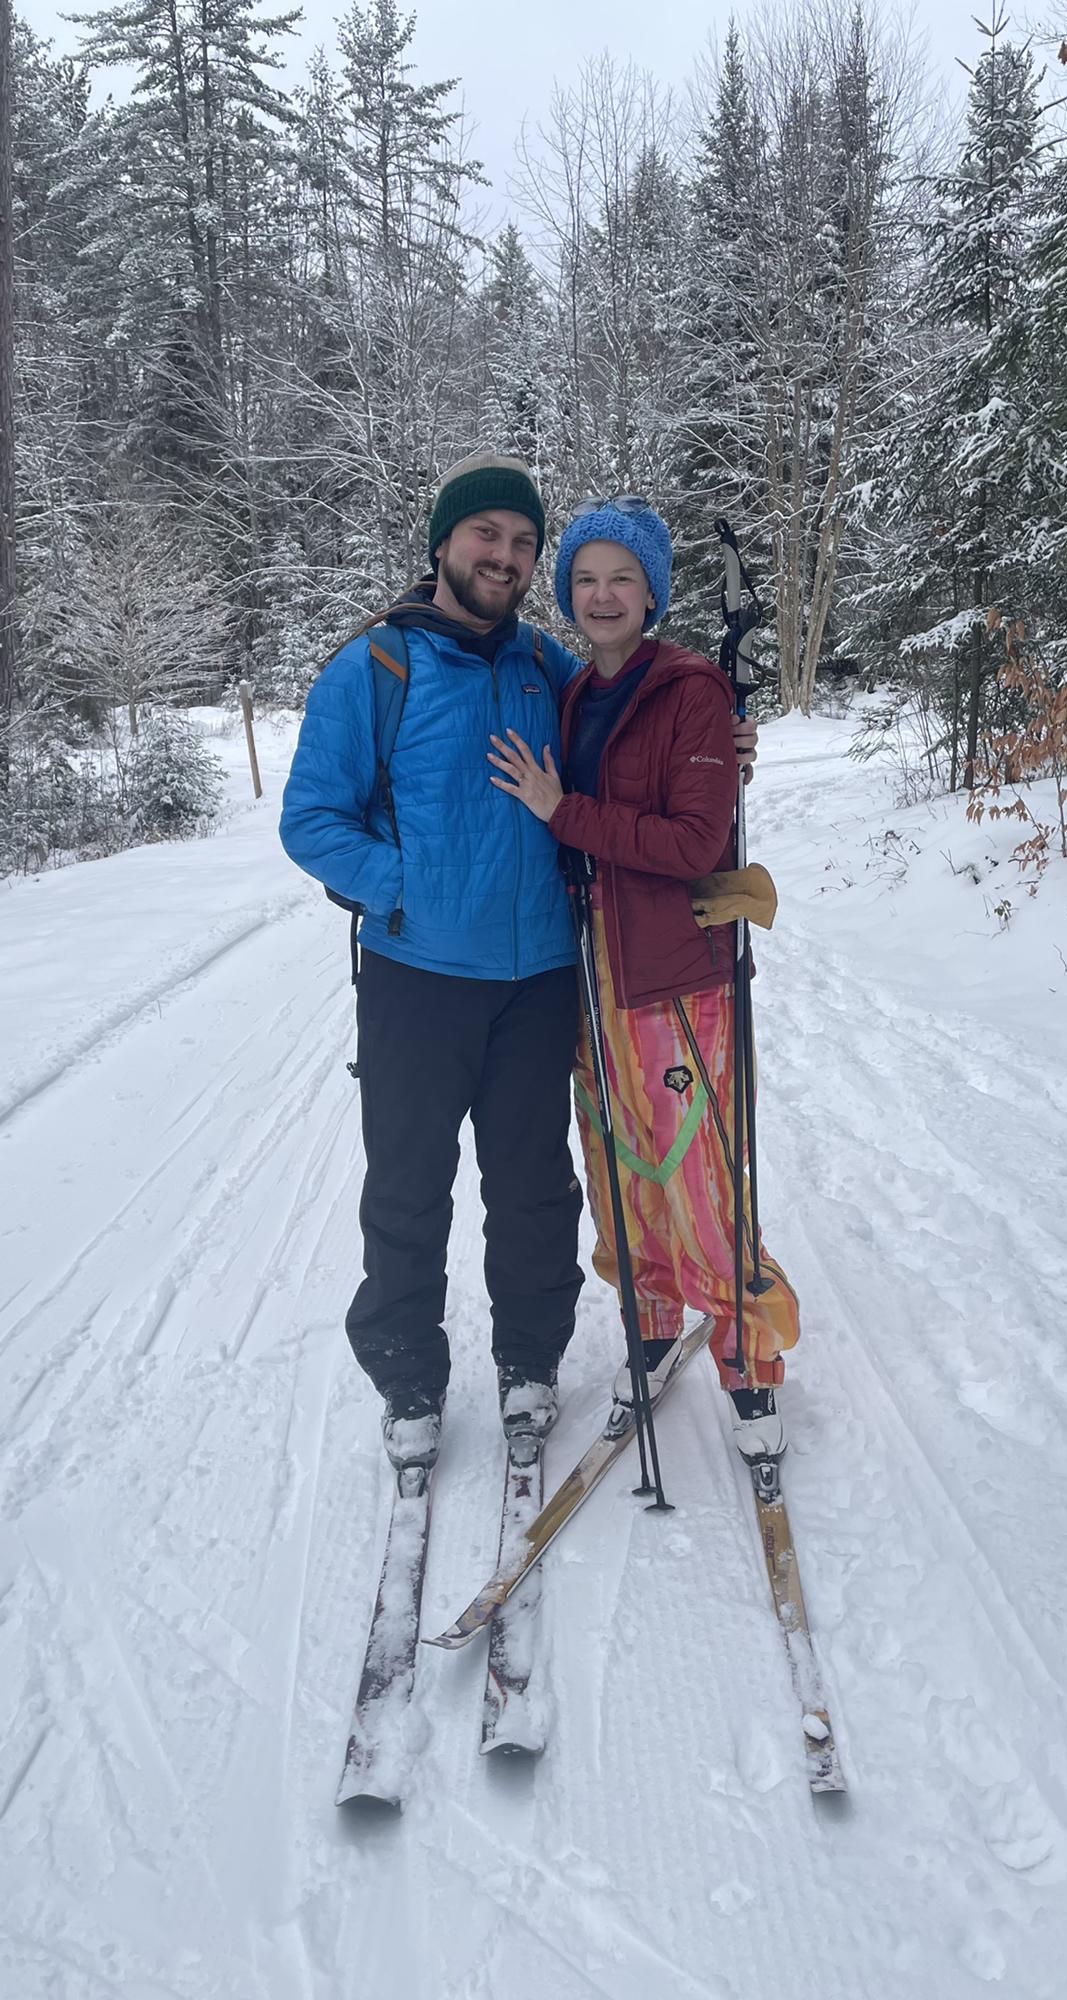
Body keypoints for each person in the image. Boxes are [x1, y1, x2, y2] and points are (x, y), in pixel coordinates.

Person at [279, 452, 759, 1476]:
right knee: (409, 1187)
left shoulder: (550, 667)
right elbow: (310, 819)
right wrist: (402, 886)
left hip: (543, 976)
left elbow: (638, 732)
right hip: (415, 974)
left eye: (520, 542)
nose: (502, 555)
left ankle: (529, 1362)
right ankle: (409, 1375)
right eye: (484, 536)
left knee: (536, 1186)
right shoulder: (375, 665)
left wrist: (723, 740)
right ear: (444, 544)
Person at [487, 497, 800, 1460]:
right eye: (585, 578)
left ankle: (749, 1363)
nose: (602, 594)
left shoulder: (691, 691)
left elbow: (694, 841)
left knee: (700, 1176)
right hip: (591, 978)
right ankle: (657, 1324)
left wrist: (563, 810)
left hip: (674, 979)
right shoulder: (578, 693)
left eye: (622, 577)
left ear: (654, 591)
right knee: (623, 1167)